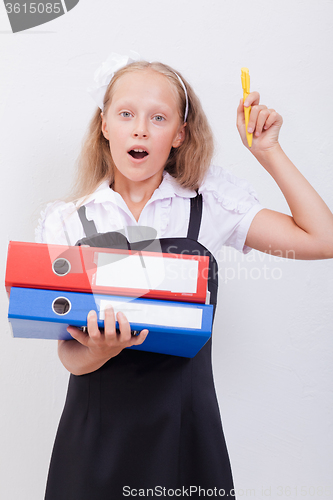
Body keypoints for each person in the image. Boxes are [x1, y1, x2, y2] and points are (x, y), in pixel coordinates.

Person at [36, 53, 333, 499]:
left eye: (158, 117)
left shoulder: (210, 204)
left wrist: (267, 151)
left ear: (179, 134)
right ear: (104, 126)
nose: (140, 129)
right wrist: (99, 351)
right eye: (126, 114)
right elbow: (68, 355)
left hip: (186, 437)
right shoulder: (66, 222)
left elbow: (322, 239)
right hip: (93, 442)